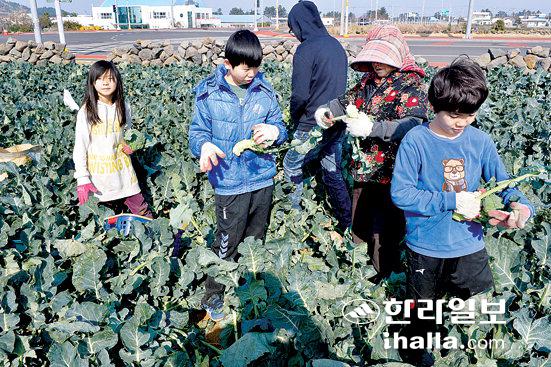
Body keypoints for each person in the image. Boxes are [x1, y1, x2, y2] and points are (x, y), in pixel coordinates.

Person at [390, 57, 534, 365]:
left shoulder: (480, 141)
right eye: (454, 115)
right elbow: (401, 194)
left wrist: (518, 204)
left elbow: (503, 182)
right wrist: (453, 201)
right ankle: (416, 357)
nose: (461, 122)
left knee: (477, 311)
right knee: (421, 315)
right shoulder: (416, 140)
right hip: (426, 246)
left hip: (469, 244)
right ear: (433, 105)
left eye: (469, 115)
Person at [188, 30, 288, 321]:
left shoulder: (265, 92)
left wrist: (274, 132)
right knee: (227, 242)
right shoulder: (209, 94)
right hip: (229, 182)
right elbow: (197, 133)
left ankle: (246, 289)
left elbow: (279, 127)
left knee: (255, 240)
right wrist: (204, 146)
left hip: (262, 179)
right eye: (246, 67)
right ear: (227, 63)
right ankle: (214, 295)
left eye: (256, 66)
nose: (251, 73)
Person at [316, 25, 428, 276]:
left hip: (393, 172)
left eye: (383, 59)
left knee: (384, 231)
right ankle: (359, 273)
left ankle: (384, 279)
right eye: (374, 58)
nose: (377, 63)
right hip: (364, 171)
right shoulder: (367, 83)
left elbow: (413, 123)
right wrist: (325, 113)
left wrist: (373, 128)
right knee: (360, 222)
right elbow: (340, 104)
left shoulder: (410, 85)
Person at [282, 0, 351, 232]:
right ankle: (346, 223)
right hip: (336, 121)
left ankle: (295, 221)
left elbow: (300, 94)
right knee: (332, 170)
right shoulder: (336, 45)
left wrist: (294, 118)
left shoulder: (306, 49)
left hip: (312, 123)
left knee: (291, 165)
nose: (295, 35)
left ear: (299, 24)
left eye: (293, 29)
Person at [73, 60, 152, 218]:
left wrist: (128, 144)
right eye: (100, 79)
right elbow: (80, 146)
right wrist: (82, 178)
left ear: (118, 81)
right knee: (105, 216)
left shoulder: (124, 106)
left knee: (140, 208)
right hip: (99, 174)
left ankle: (152, 234)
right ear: (92, 83)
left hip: (123, 170)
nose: (106, 83)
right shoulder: (86, 111)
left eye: (110, 79)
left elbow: (127, 132)